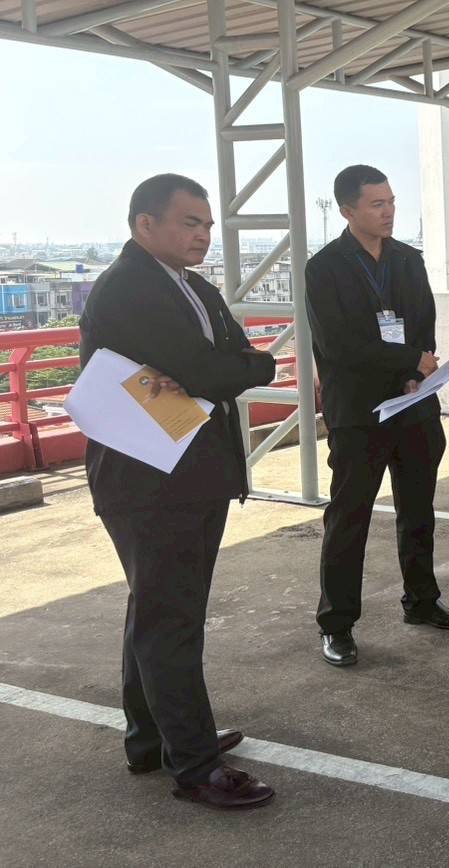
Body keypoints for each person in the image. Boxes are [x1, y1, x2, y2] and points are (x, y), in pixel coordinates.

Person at [81, 174, 278, 809]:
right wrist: (231, 368)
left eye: (208, 224)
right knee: (170, 620)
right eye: (190, 222)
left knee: (157, 609)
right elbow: (209, 370)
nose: (203, 235)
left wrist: (234, 366)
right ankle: (194, 765)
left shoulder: (193, 285)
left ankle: (151, 739)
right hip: (147, 480)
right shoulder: (129, 288)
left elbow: (232, 358)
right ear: (145, 224)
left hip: (189, 474)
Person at [306, 165, 449, 669]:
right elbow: (337, 344)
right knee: (349, 517)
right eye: (377, 204)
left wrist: (414, 373)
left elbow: (422, 324)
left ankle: (421, 600)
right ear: (347, 210)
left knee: (417, 509)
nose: (389, 211)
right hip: (358, 413)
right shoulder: (324, 268)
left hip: (412, 403)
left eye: (392, 201)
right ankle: (337, 624)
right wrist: (407, 361)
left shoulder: (407, 259)